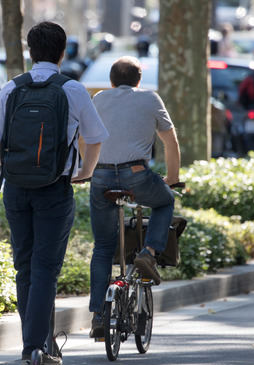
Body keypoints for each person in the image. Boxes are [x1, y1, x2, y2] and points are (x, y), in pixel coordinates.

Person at [0, 21, 109, 365]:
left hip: (16, 189)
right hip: (55, 189)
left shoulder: (12, 88)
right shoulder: (73, 89)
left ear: (29, 51)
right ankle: (36, 349)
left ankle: (36, 345)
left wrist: (16, 169)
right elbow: (96, 137)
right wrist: (85, 172)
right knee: (44, 270)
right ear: (63, 52)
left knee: (24, 268)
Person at [88, 56, 180, 338]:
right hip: (137, 175)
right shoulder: (150, 98)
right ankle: (148, 253)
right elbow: (170, 141)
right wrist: (172, 178)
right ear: (139, 81)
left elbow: (86, 139)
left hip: (100, 177)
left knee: (103, 247)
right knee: (165, 201)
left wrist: (85, 171)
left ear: (112, 81)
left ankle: (99, 317)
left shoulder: (100, 98)